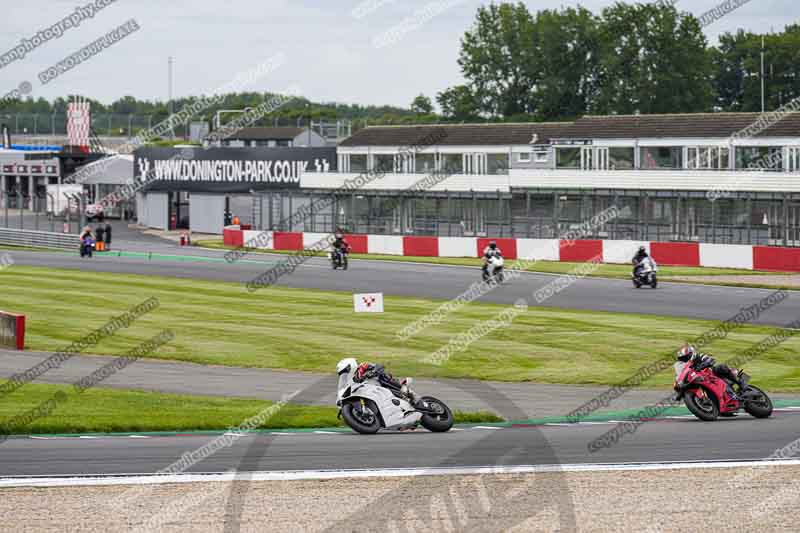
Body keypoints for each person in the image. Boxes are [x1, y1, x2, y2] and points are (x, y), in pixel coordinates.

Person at [676, 345, 742, 399]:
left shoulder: (700, 356)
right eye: (683, 359)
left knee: (721, 367)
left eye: (685, 358)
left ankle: (740, 384)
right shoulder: (688, 368)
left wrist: (701, 366)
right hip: (703, 379)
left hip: (713, 374)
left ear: (691, 353)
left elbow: (711, 360)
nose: (685, 360)